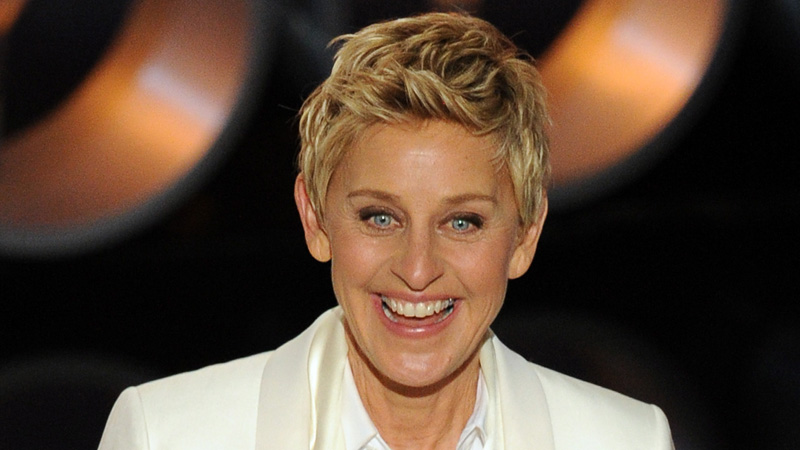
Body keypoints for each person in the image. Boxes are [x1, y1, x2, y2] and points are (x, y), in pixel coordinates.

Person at [98, 12, 674, 450]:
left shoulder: (627, 441)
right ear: (315, 219)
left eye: (462, 222)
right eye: (380, 217)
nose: (417, 269)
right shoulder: (165, 435)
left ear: (525, 236)